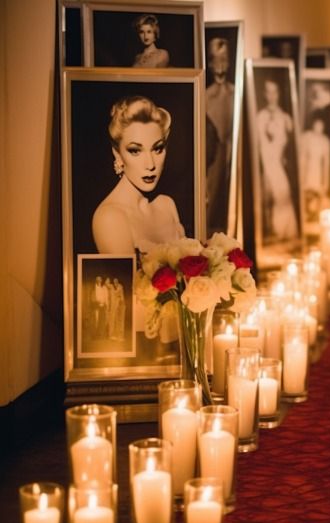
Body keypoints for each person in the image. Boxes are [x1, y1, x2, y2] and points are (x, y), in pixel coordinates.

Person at [92, 96, 185, 254]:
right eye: (135, 151)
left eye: (158, 149)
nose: (150, 165)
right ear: (118, 154)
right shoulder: (110, 218)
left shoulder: (167, 205)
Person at [256, 78, 299, 242]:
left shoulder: (286, 118)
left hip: (278, 164)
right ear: (265, 94)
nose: (272, 95)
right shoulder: (260, 117)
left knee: (283, 195)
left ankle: (285, 232)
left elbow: (290, 149)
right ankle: (271, 231)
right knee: (268, 197)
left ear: (279, 94)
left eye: (275, 91)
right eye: (269, 92)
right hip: (265, 163)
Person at [205, 37, 235, 235]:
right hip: (213, 156)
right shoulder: (206, 96)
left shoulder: (235, 92)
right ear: (209, 63)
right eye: (216, 60)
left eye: (224, 59)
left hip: (231, 153)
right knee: (212, 195)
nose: (220, 64)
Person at [300, 116, 330, 198]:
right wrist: (302, 177)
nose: (318, 128)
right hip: (308, 168)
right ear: (313, 126)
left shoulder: (325, 141)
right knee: (307, 189)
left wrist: (325, 182)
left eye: (320, 126)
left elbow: (326, 163)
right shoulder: (307, 137)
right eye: (316, 126)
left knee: (317, 190)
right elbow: (302, 157)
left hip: (318, 170)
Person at [108, 278, 126, 342]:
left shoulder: (120, 287)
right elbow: (107, 285)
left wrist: (121, 302)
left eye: (116, 281)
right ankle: (112, 335)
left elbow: (122, 296)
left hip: (120, 306)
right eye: (114, 281)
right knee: (113, 320)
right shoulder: (112, 288)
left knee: (120, 321)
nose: (115, 282)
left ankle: (120, 336)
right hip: (114, 307)